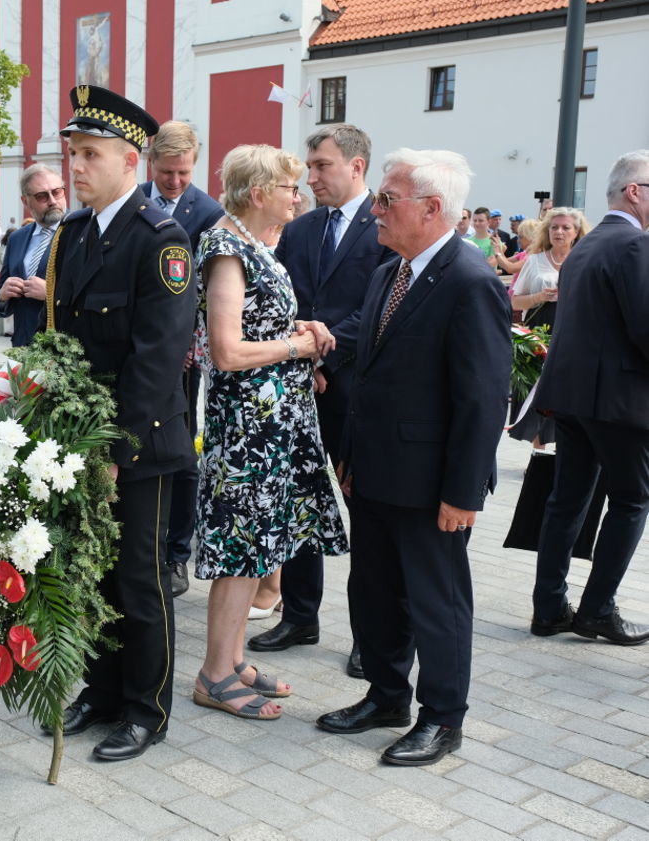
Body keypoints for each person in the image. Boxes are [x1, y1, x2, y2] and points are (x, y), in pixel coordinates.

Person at [317, 149, 511, 767]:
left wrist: (462, 493)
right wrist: (347, 455)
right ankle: (385, 695)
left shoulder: (470, 280)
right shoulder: (388, 271)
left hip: (431, 484)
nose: (374, 208)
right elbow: (368, 375)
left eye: (386, 199)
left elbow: (482, 399)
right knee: (373, 592)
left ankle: (443, 717)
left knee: (436, 601)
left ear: (431, 208)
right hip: (373, 471)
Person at [43, 85, 196, 761]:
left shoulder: (160, 242)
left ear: (130, 160)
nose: (76, 166)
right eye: (73, 153)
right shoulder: (73, 235)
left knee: (138, 578)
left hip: (139, 447)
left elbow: (156, 361)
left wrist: (114, 449)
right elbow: (60, 345)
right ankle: (100, 690)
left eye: (91, 155)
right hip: (81, 442)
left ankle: (145, 708)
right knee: (90, 571)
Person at [192, 144, 347, 723]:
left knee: (257, 544)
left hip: (271, 424)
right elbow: (227, 350)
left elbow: (256, 321)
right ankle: (213, 673)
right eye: (289, 187)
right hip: (246, 431)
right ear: (258, 194)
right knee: (239, 550)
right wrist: (296, 346)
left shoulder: (252, 243)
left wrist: (294, 328)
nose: (299, 195)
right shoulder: (226, 248)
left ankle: (232, 661)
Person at [248, 124, 394, 679]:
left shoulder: (381, 227)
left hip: (352, 389)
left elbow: (377, 308)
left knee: (366, 515)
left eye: (322, 166)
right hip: (297, 386)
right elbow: (287, 303)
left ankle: (369, 635)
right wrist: (300, 360)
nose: (311, 178)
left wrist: (323, 358)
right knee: (298, 504)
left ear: (356, 167)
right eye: (309, 168)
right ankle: (300, 615)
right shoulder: (301, 227)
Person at [530, 150, 649, 646]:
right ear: (635, 192)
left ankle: (549, 607)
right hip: (617, 401)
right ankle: (596, 609)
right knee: (632, 499)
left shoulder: (589, 243)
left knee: (568, 501)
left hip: (575, 396)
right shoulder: (635, 246)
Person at [137, 121, 227, 599]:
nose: (175, 182)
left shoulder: (208, 212)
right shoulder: (134, 200)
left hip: (184, 355)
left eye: (184, 173)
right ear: (152, 163)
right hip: (138, 347)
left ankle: (176, 553)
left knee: (179, 451)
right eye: (168, 173)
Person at [0, 163, 67, 347]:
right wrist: (2, 295)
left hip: (62, 351)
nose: (52, 201)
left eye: (57, 192)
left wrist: (51, 293)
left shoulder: (81, 232)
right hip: (23, 348)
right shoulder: (17, 238)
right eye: (42, 196)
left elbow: (90, 296)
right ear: (25, 201)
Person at [506, 207, 590, 330]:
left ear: (576, 232)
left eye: (565, 228)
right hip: (539, 327)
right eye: (554, 227)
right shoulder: (534, 260)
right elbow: (515, 302)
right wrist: (539, 297)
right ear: (548, 231)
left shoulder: (585, 262)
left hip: (575, 326)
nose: (559, 232)